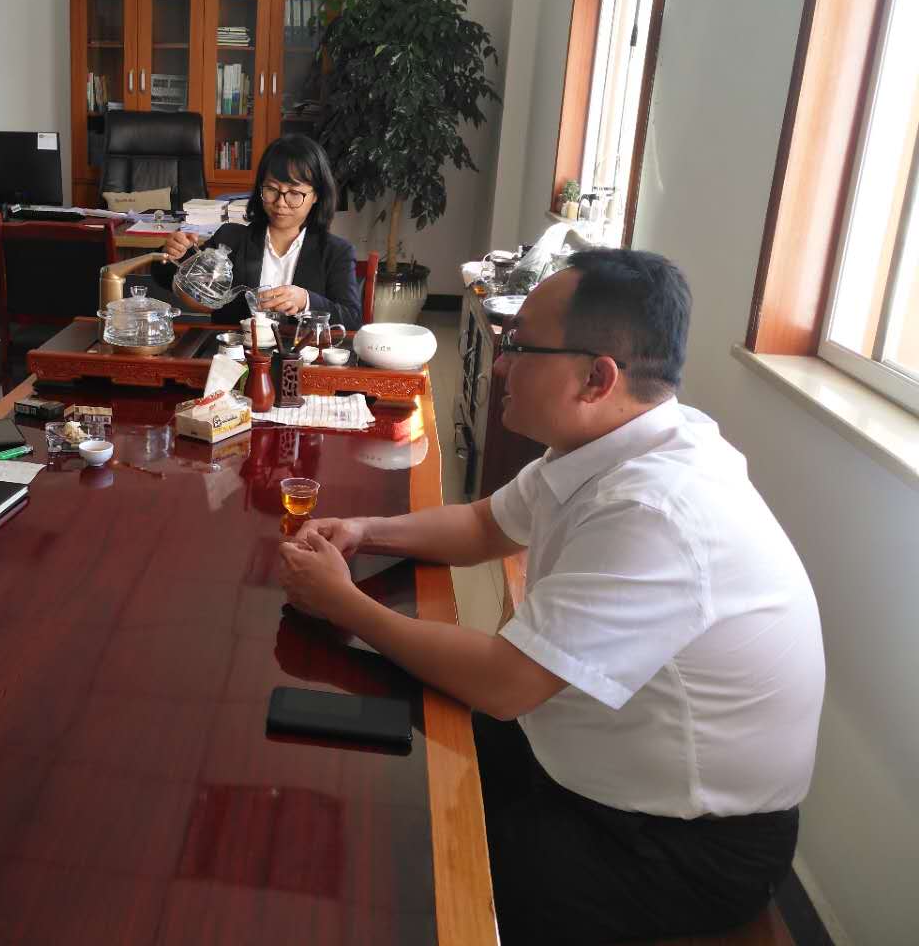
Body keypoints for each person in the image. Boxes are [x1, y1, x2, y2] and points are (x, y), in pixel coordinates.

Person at [275, 249, 825, 944]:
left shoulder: (659, 509)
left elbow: (505, 684)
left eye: (521, 346)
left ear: (597, 378)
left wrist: (344, 603)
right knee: (394, 744)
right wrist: (365, 530)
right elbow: (485, 525)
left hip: (682, 843)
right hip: (585, 754)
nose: (500, 364)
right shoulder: (612, 441)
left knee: (416, 882)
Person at [153, 133, 362, 329]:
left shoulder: (336, 252)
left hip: (301, 353)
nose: (281, 202)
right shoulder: (230, 238)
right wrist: (171, 253)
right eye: (272, 189)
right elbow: (165, 276)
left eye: (294, 193)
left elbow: (352, 319)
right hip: (236, 351)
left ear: (316, 195)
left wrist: (305, 300)